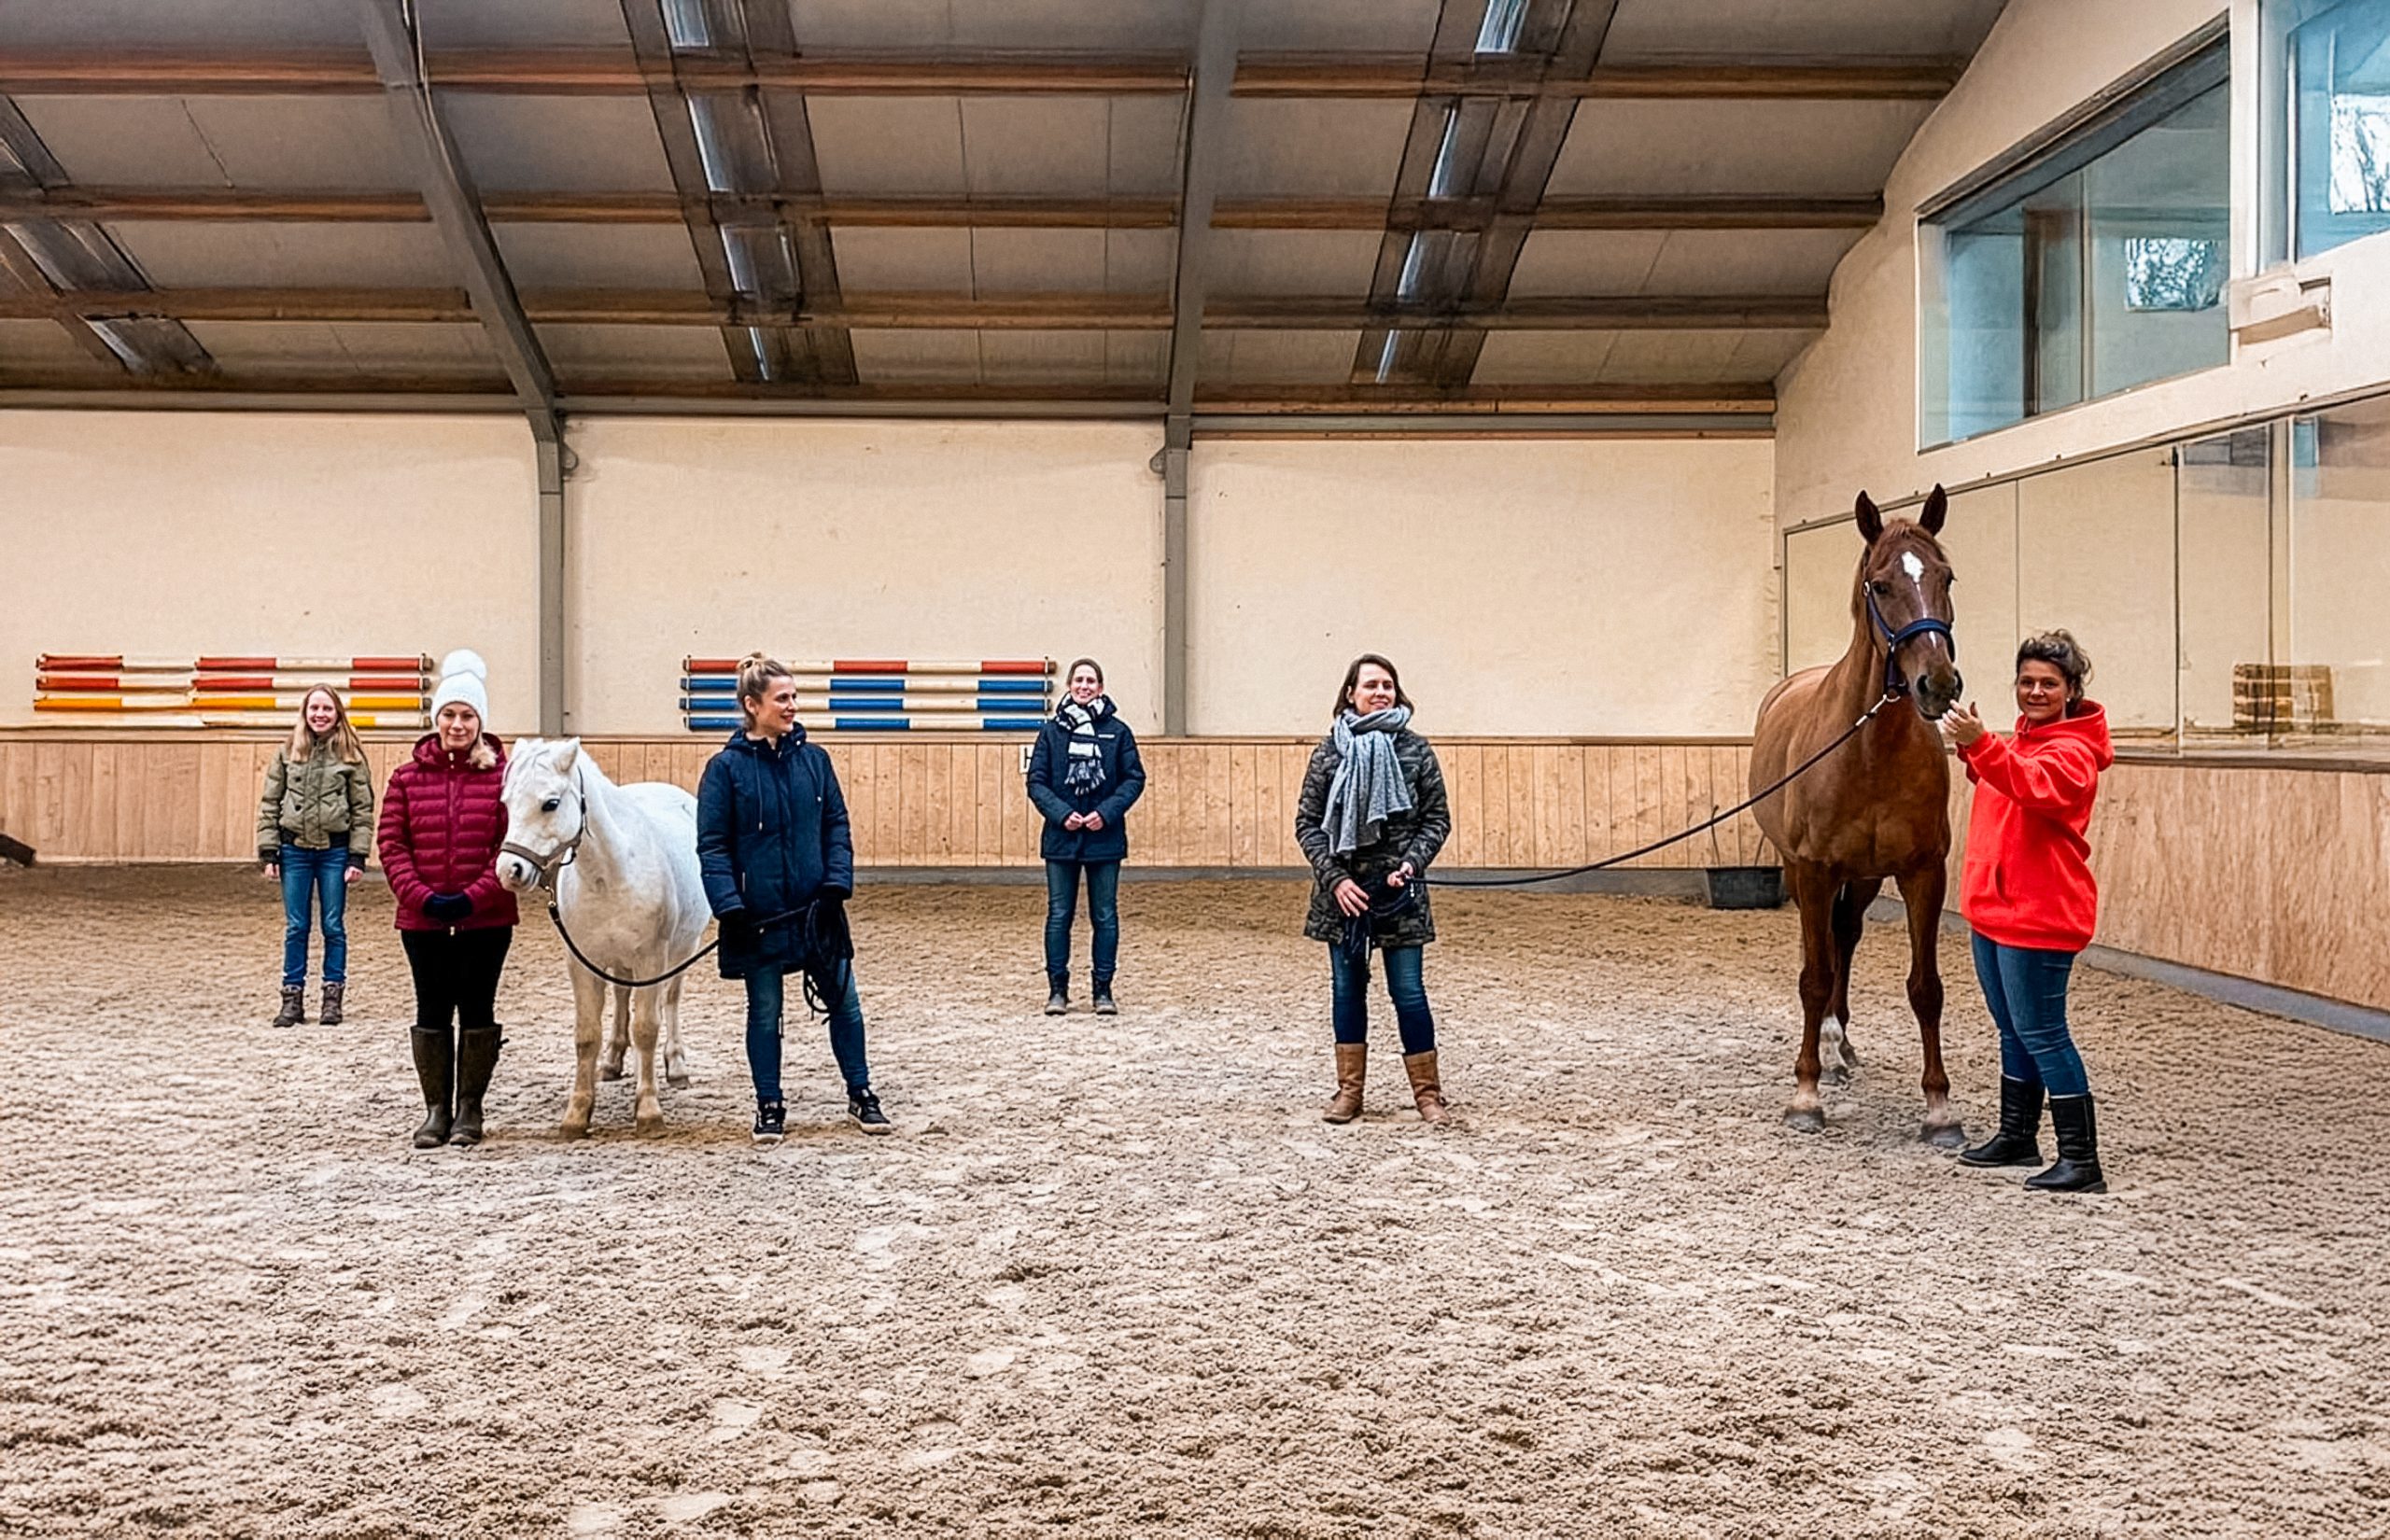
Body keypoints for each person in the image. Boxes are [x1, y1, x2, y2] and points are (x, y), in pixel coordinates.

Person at [1941, 630, 2115, 1194]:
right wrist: (1974, 744)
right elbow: (1999, 770)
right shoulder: (2021, 741)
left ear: (2070, 690)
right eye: (2026, 682)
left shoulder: (2071, 753)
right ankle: (2018, 1134)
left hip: (2039, 913)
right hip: (1996, 910)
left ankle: (2081, 1158)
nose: (2035, 691)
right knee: (2013, 1029)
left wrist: (1981, 746)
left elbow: (2035, 787)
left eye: (2048, 683)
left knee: (2043, 1032)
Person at [696, 652, 892, 1145]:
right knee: (765, 1012)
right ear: (752, 704)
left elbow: (836, 826)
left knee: (845, 1004)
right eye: (782, 698)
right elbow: (713, 846)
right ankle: (769, 1102)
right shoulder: (724, 771)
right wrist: (729, 908)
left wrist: (835, 884)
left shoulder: (815, 761)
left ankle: (861, 1090)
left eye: (794, 697)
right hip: (757, 917)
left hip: (817, 912)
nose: (792, 706)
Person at [1293, 653, 1453, 1126]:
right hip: (1344, 896)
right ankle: (1350, 1093)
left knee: (1409, 992)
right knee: (1347, 991)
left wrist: (1412, 862)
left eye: (1388, 685)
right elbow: (1307, 824)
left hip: (1400, 895)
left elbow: (1436, 819)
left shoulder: (1417, 751)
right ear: (1351, 694)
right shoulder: (1329, 753)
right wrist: (1336, 879)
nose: (1381, 692)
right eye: (1371, 686)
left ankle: (1428, 1095)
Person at [377, 650, 519, 1150]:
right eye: (450, 715)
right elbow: (392, 845)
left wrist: (474, 897)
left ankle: (470, 1108)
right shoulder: (406, 778)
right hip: (424, 920)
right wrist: (422, 898)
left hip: (486, 919)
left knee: (478, 1007)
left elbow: (510, 845)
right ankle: (436, 1108)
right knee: (432, 1008)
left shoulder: (502, 777)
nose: (458, 724)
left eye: (468, 716)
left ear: (480, 721)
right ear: (437, 719)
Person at [1025, 657, 1146, 1015]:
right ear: (1069, 686)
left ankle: (1103, 990)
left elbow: (1133, 779)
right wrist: (1062, 814)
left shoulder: (1118, 732)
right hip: (1061, 838)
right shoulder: (1050, 733)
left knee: (1105, 915)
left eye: (1091, 681)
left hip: (1104, 838)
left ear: (1101, 687)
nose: (1084, 686)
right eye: (1078, 680)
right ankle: (1057, 990)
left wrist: (1105, 813)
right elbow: (1036, 781)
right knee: (1059, 914)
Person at [257, 685, 374, 1028]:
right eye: (314, 709)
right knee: (297, 926)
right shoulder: (287, 753)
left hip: (334, 853)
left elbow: (363, 808)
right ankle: (292, 998)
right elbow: (269, 803)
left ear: (337, 713)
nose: (320, 715)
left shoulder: (351, 756)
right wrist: (268, 850)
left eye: (326, 708)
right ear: (305, 714)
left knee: (333, 926)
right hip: (294, 851)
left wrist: (357, 856)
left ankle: (331, 998)